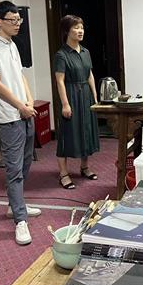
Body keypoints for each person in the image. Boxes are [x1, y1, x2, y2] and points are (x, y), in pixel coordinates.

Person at [0, 0, 40, 246]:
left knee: (26, 162)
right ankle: (20, 220)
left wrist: (29, 100)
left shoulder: (12, 44)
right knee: (14, 170)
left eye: (19, 20)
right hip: (9, 115)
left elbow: (21, 76)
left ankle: (15, 205)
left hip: (24, 111)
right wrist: (20, 106)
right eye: (12, 20)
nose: (17, 24)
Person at [54, 15, 100, 189]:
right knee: (67, 136)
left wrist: (95, 96)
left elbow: (90, 75)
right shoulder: (61, 55)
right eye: (76, 28)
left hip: (86, 95)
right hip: (71, 95)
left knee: (86, 131)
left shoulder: (86, 52)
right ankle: (63, 174)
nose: (80, 31)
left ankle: (84, 167)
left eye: (82, 27)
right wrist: (65, 104)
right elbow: (59, 81)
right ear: (67, 30)